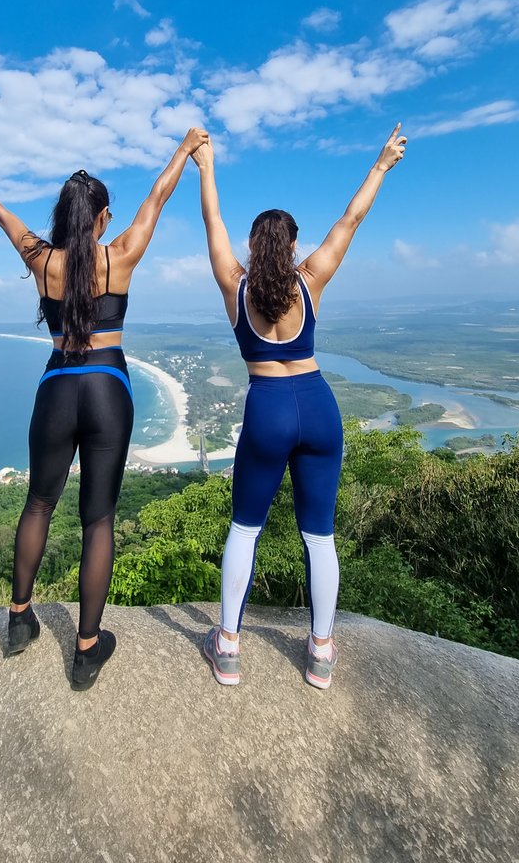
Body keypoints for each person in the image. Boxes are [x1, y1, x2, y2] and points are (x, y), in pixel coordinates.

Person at [0, 127, 208, 689]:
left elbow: (2, 216)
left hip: (58, 387)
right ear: (104, 217)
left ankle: (19, 620)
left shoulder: (41, 260)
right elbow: (157, 198)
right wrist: (184, 151)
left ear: (64, 217)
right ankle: (86, 651)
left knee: (39, 502)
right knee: (99, 519)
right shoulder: (122, 255)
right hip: (109, 388)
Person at [191, 124, 408, 688]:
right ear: (290, 246)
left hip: (266, 410)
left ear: (252, 245)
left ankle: (230, 649)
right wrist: (381, 165)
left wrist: (206, 165)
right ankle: (320, 653)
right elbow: (351, 221)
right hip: (318, 407)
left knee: (244, 529)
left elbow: (211, 223)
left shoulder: (234, 286)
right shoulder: (311, 280)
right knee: (319, 535)